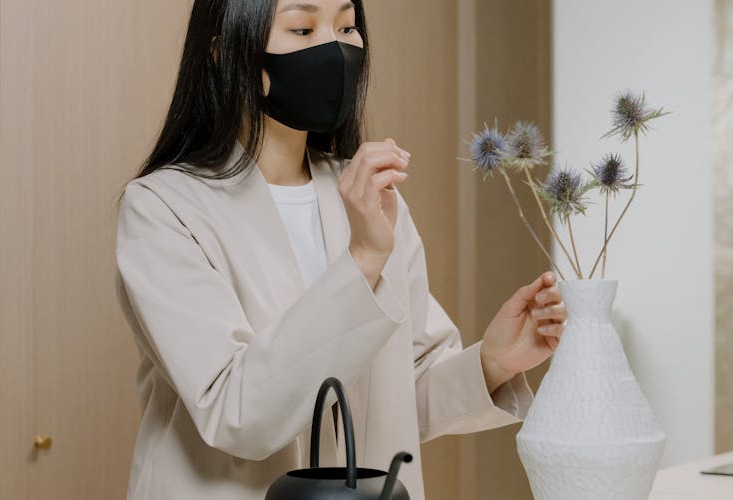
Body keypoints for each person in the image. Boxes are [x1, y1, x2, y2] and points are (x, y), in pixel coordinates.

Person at [114, 0, 567, 498]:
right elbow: (238, 414)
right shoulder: (164, 209)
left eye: (347, 26)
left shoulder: (367, 195)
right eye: (303, 28)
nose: (335, 48)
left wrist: (495, 362)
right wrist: (364, 260)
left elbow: (394, 400)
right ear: (228, 54)